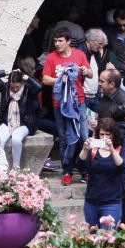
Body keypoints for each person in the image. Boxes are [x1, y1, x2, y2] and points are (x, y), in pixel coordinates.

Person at [42, 26, 94, 186]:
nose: (57, 44)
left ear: (68, 42)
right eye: (55, 41)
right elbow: (45, 79)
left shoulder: (79, 55)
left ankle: (86, 171)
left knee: (84, 137)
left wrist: (85, 71)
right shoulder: (51, 58)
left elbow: (91, 73)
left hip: (79, 102)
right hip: (60, 103)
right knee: (64, 138)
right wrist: (61, 79)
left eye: (60, 41)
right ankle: (67, 171)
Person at [79, 118, 125, 225]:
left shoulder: (120, 148)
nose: (105, 137)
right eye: (102, 134)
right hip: (92, 200)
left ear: (113, 134)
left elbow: (123, 167)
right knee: (92, 237)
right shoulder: (94, 149)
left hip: (111, 202)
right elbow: (80, 165)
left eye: (108, 134)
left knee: (108, 237)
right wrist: (85, 149)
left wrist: (112, 150)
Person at [0, 69, 40, 170]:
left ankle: (16, 168)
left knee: (16, 139)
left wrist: (25, 76)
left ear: (22, 83)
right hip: (6, 122)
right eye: (13, 87)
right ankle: (1, 167)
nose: (15, 89)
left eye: (17, 87)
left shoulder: (27, 90)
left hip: (24, 123)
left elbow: (38, 87)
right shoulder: (5, 88)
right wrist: (7, 72)